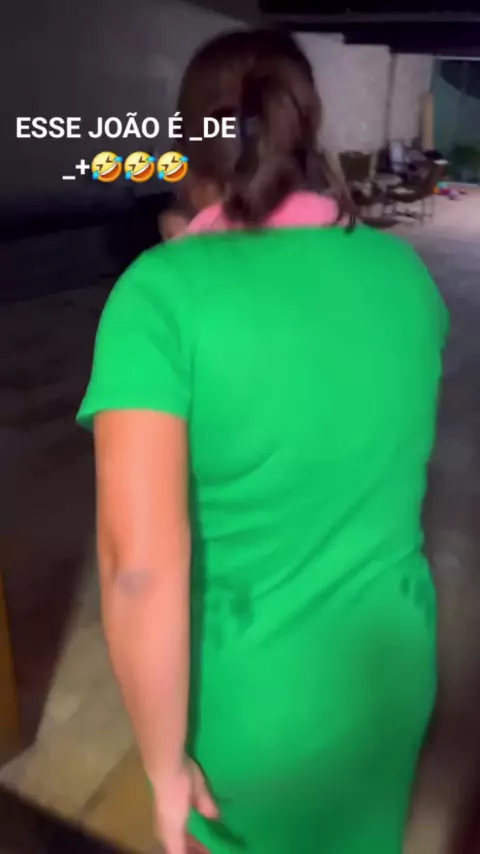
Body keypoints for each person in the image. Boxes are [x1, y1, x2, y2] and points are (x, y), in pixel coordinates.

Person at [77, 28, 449, 854]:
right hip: (391, 671)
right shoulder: (403, 276)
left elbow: (139, 568)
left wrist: (163, 767)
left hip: (250, 709)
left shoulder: (159, 300)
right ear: (306, 130)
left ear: (187, 149)